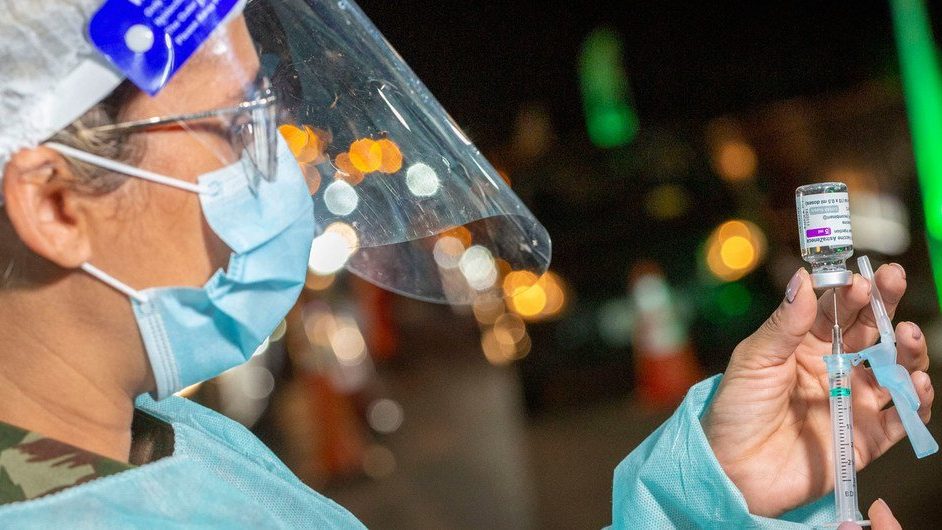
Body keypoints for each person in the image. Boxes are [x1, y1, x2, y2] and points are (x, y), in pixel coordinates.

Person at [0, 1, 929, 528]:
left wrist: (709, 496)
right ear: (53, 203)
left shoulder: (154, 446)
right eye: (238, 125)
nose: (289, 164)